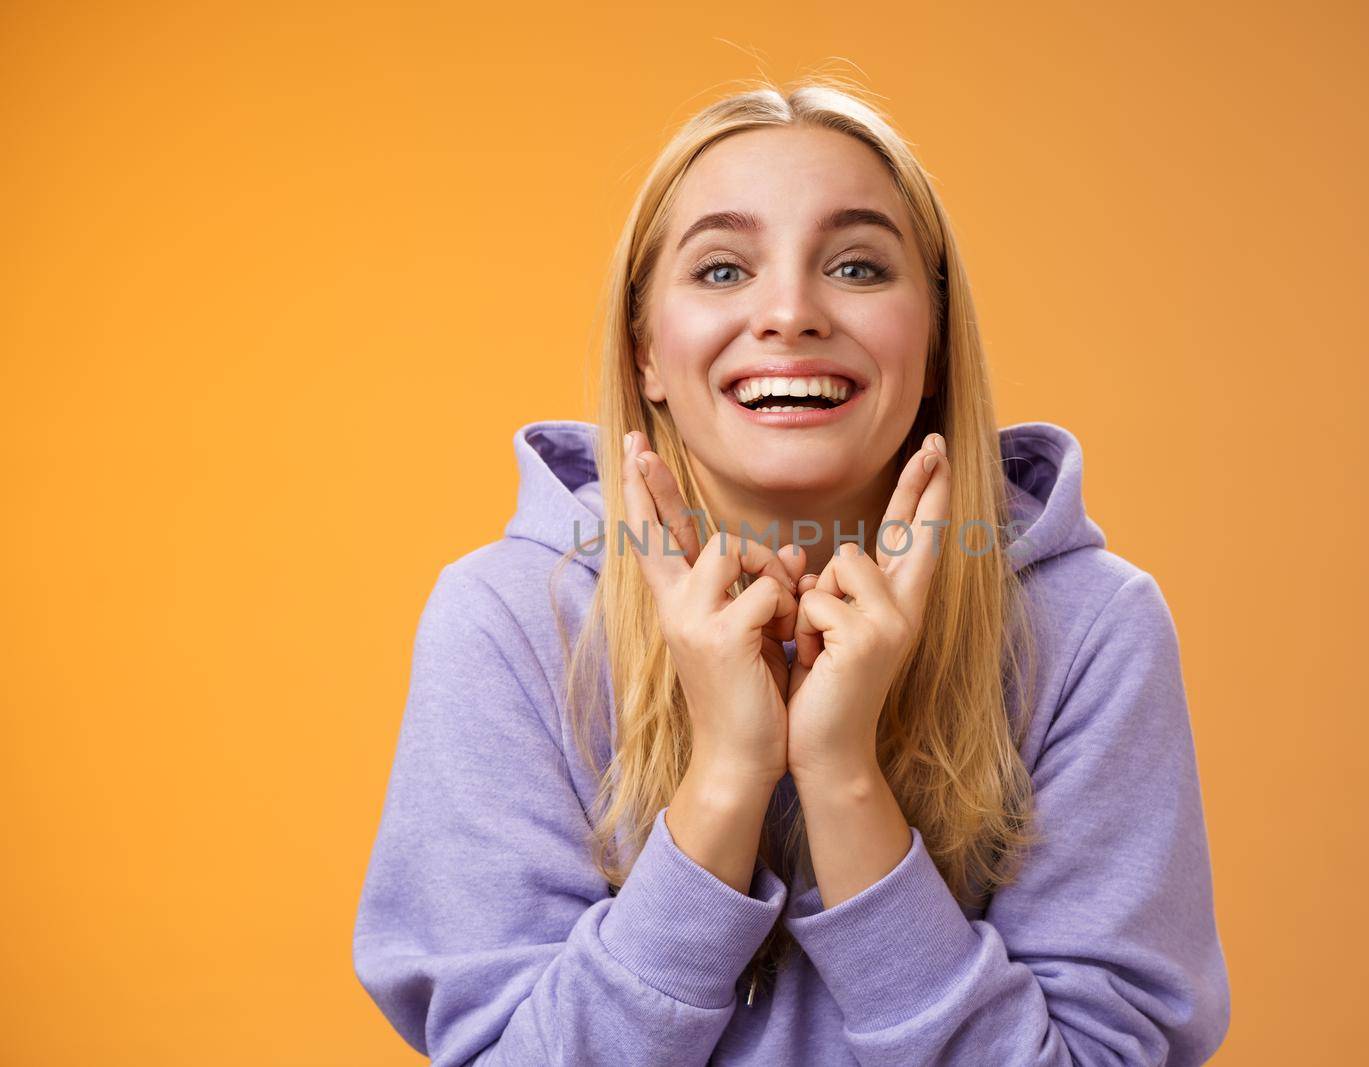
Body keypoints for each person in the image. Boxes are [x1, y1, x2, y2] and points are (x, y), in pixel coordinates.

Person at [352, 76, 1230, 1066]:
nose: (789, 311)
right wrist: (727, 774)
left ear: (936, 341)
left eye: (856, 266)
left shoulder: (1091, 627)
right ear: (644, 347)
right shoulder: (508, 619)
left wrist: (842, 775)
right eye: (722, 271)